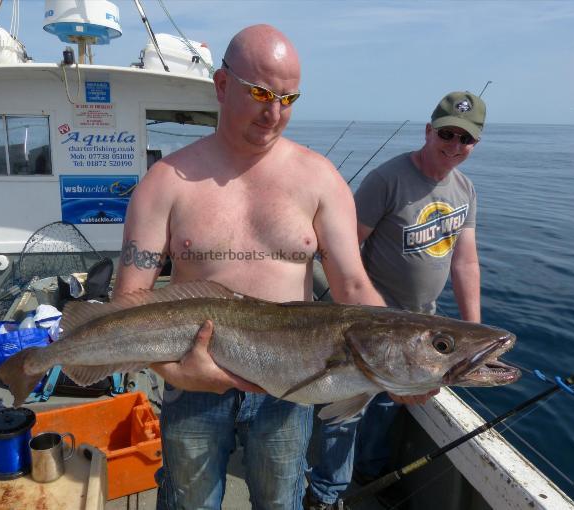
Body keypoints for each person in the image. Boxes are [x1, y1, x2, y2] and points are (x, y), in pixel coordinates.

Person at [112, 24, 385, 510]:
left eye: (288, 97)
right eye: (260, 92)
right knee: (189, 502)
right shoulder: (165, 182)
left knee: (281, 502)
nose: (274, 112)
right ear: (221, 85)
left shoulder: (320, 179)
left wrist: (402, 358)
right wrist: (172, 372)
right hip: (192, 382)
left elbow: (353, 284)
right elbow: (128, 302)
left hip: (292, 385)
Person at [305, 91, 486, 508]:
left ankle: (370, 475)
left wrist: (473, 334)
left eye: (466, 139)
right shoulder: (387, 179)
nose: (455, 145)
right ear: (429, 130)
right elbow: (345, 247)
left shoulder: (466, 189)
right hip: (369, 326)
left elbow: (466, 263)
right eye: (447, 133)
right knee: (345, 412)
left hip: (423, 330)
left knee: (387, 409)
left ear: (476, 144)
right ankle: (326, 492)